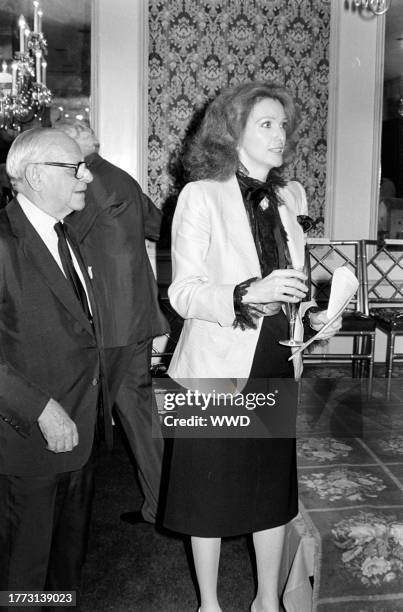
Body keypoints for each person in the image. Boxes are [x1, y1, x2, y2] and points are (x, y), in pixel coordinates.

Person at [162, 82, 342, 612]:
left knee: (269, 490)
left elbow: (296, 286)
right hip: (213, 362)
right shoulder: (200, 195)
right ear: (232, 131)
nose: (280, 134)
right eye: (266, 123)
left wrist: (313, 317)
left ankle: (267, 600)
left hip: (275, 357)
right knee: (207, 491)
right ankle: (210, 605)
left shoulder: (288, 201)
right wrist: (246, 293)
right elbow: (182, 292)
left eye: (283, 125)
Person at [0, 128, 105, 601]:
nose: (86, 174)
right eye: (74, 167)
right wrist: (40, 408)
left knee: (65, 568)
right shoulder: (3, 243)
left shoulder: (65, 234)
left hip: (79, 431)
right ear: (37, 176)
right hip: (28, 439)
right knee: (24, 574)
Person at [54, 120, 169, 524]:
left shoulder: (88, 182)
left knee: (125, 411)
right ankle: (160, 502)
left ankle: (162, 504)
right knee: (138, 410)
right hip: (135, 313)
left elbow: (57, 237)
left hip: (113, 321)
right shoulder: (121, 177)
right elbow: (158, 226)